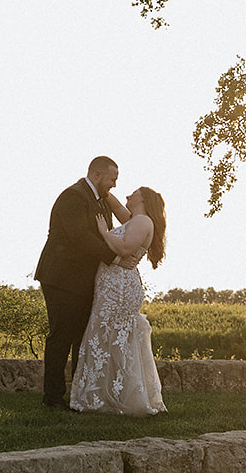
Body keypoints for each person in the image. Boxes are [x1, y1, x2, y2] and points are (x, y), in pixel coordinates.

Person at [35, 156, 136, 409]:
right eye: (112, 179)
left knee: (82, 337)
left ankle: (81, 396)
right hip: (61, 276)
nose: (114, 184)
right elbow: (80, 237)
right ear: (98, 174)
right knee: (61, 336)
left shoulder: (99, 200)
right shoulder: (73, 197)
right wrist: (115, 258)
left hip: (82, 279)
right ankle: (52, 398)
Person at [69, 186, 167, 416]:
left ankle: (117, 397)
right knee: (105, 337)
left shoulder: (143, 222)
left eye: (133, 194)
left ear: (143, 199)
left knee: (110, 337)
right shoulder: (135, 219)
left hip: (120, 288)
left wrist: (103, 232)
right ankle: (105, 394)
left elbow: (124, 249)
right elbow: (114, 203)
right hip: (111, 285)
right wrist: (96, 184)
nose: (127, 196)